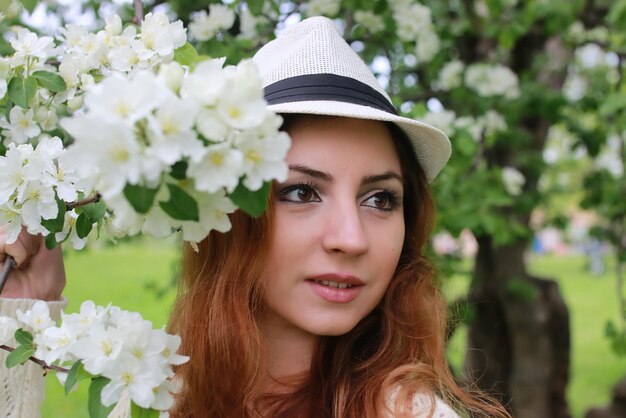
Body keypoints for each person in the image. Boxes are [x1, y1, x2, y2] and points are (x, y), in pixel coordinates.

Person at [0, 16, 511, 418]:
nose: (350, 239)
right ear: (223, 211)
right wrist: (27, 311)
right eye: (301, 191)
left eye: (380, 200)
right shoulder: (155, 394)